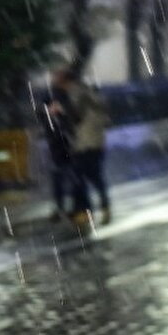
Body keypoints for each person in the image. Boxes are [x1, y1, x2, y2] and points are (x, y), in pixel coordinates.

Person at [66, 72, 112, 225]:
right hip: (97, 146)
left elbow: (75, 119)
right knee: (96, 178)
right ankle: (104, 207)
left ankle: (86, 212)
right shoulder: (100, 104)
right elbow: (107, 123)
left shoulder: (82, 102)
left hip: (84, 146)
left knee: (82, 179)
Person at [41, 69, 79, 222]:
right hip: (56, 141)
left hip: (71, 140)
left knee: (73, 175)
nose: (55, 79)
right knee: (58, 175)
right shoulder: (50, 95)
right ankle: (60, 207)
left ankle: (76, 207)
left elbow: (78, 114)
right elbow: (40, 111)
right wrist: (48, 111)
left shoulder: (72, 94)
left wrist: (63, 111)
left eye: (58, 77)